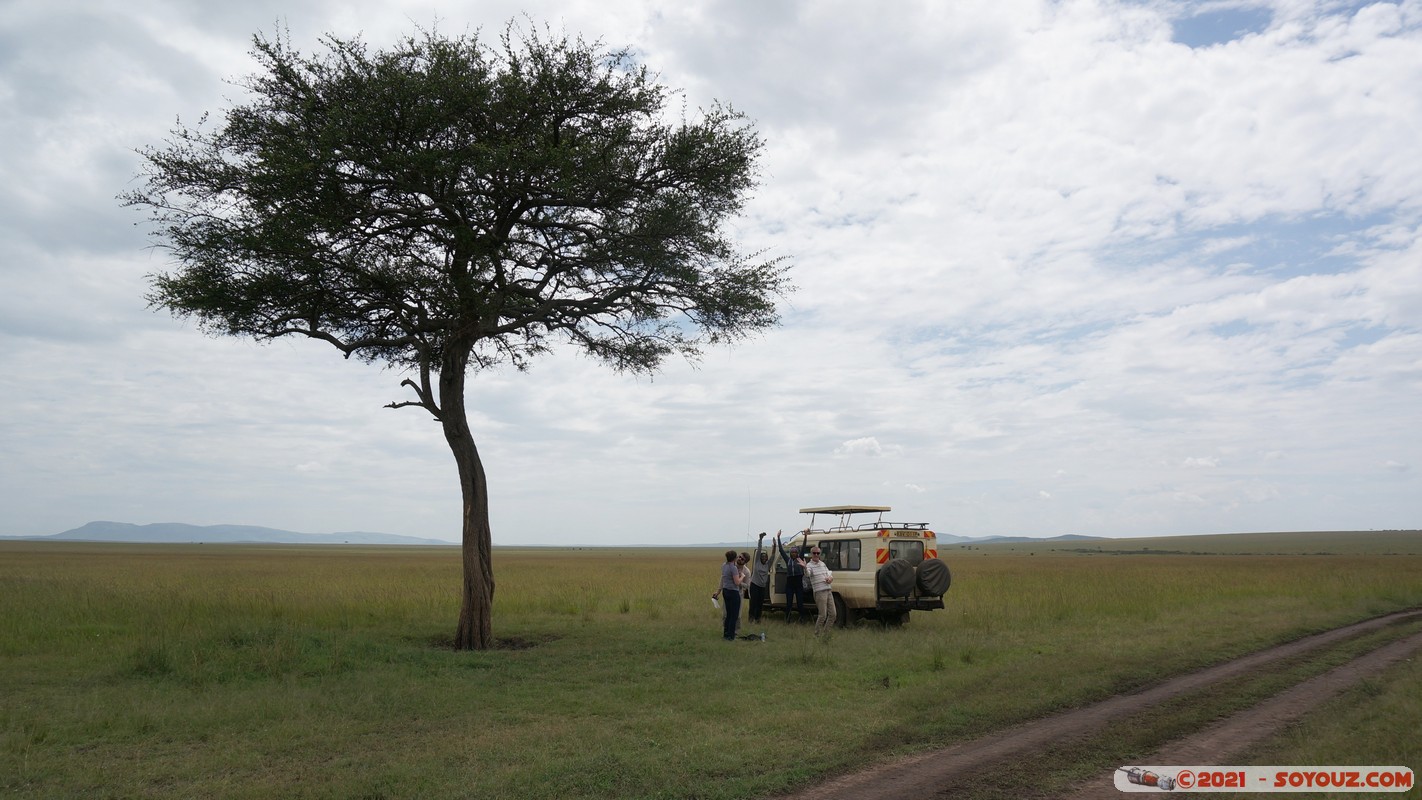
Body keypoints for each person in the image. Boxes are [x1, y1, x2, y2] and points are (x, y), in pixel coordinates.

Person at [804, 545, 836, 635]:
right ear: (811, 554)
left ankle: (826, 634)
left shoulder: (822, 564)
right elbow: (808, 574)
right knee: (823, 615)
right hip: (819, 591)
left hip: (828, 590)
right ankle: (817, 634)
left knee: (833, 614)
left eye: (818, 553)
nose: (816, 555)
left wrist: (830, 578)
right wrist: (805, 568)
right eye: (814, 553)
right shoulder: (809, 565)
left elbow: (829, 573)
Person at [776, 530, 806, 622]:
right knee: (789, 603)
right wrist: (778, 537)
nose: (793, 553)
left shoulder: (799, 558)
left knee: (800, 602)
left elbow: (804, 547)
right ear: (790, 553)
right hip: (789, 584)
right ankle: (787, 619)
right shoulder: (787, 559)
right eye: (792, 552)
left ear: (797, 553)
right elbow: (781, 550)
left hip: (798, 583)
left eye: (795, 552)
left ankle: (802, 618)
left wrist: (806, 537)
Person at [712, 549, 743, 642]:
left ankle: (725, 634)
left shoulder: (724, 565)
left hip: (725, 591)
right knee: (734, 615)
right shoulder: (733, 568)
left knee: (728, 614)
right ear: (734, 558)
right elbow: (737, 582)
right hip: (733, 592)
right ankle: (731, 636)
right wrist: (742, 576)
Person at [748, 533, 770, 623]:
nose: (764, 558)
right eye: (762, 557)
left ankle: (758, 618)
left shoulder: (768, 565)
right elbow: (759, 550)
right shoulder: (757, 562)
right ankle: (751, 618)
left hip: (762, 586)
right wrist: (760, 539)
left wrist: (775, 546)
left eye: (765, 557)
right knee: (753, 602)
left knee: (760, 603)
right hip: (755, 585)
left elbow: (772, 556)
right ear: (760, 558)